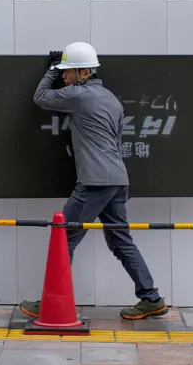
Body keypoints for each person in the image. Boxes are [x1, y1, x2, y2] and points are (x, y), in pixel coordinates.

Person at [20, 42, 168, 321]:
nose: (64, 76)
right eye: (62, 72)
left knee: (63, 239)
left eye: (68, 71)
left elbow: (41, 97)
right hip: (117, 179)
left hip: (93, 182)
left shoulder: (79, 96)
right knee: (121, 241)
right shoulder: (111, 99)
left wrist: (51, 69)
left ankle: (50, 302)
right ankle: (151, 298)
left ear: (85, 72)